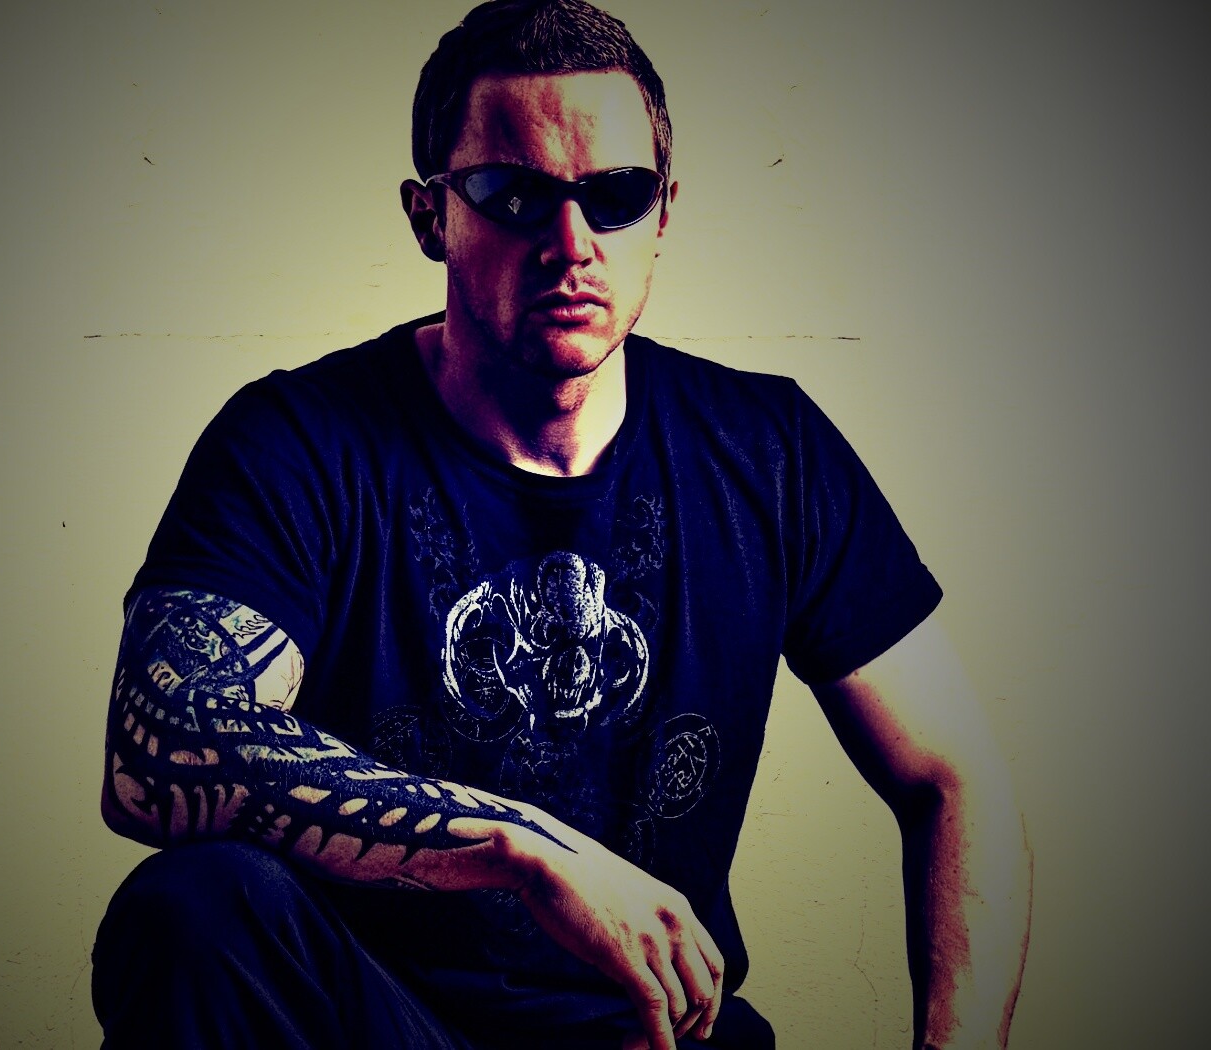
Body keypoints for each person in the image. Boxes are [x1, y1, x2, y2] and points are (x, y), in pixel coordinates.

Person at [90, 2, 1032, 1047]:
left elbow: (950, 776)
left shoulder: (768, 451)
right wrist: (524, 848)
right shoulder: (296, 443)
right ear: (430, 218)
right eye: (514, 195)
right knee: (193, 906)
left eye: (615, 197)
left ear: (663, 213)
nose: (569, 245)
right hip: (382, 1025)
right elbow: (158, 749)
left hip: (654, 1037)